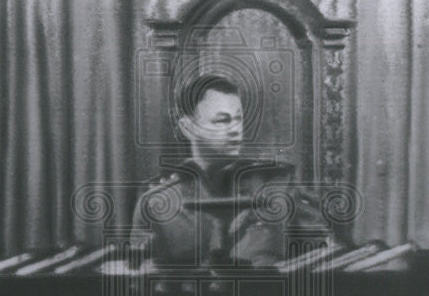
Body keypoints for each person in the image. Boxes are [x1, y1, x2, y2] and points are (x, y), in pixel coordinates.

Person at [132, 75, 328, 268]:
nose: (236, 129)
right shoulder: (157, 200)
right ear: (188, 128)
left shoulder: (278, 186)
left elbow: (320, 258)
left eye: (238, 119)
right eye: (222, 120)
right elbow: (141, 273)